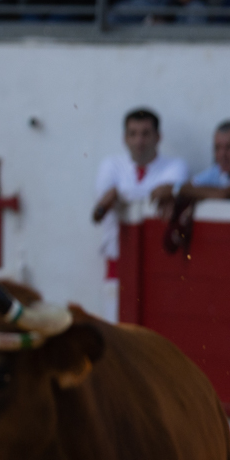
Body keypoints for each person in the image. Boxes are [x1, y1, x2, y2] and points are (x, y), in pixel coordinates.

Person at [92, 108, 188, 320]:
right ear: (124, 138)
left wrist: (118, 193)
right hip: (119, 262)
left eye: (145, 133)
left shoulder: (175, 166)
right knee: (116, 327)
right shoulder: (111, 165)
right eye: (133, 134)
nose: (139, 141)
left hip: (161, 266)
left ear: (158, 137)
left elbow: (162, 194)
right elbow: (102, 206)